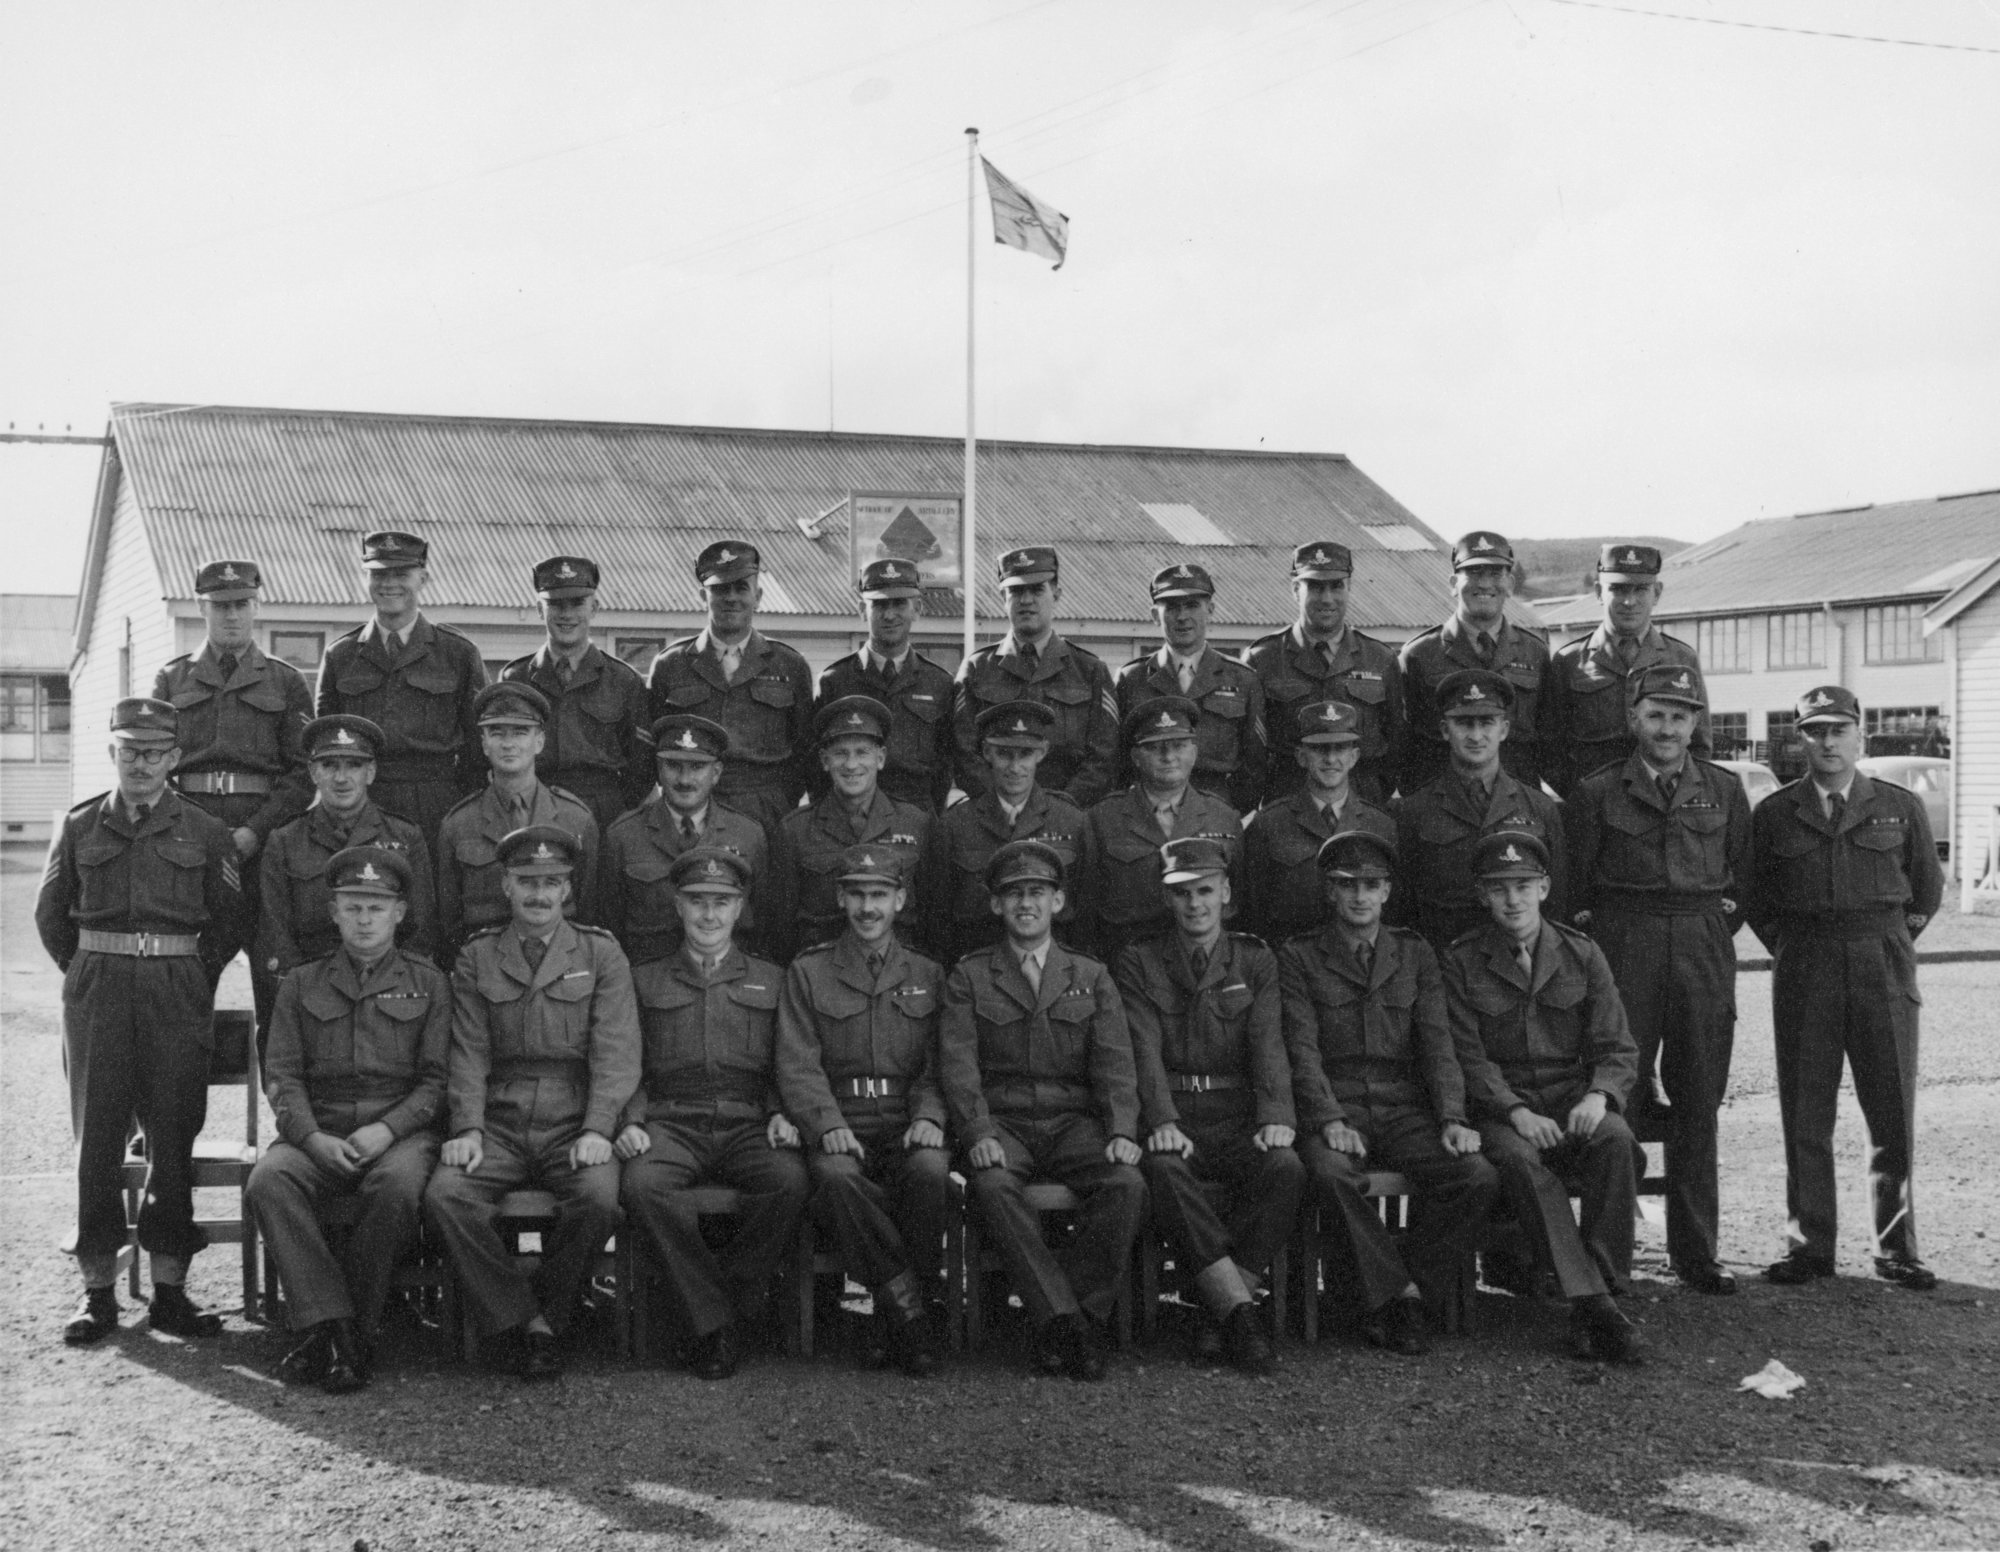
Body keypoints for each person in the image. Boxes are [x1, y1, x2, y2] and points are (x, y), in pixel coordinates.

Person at [37, 697, 245, 1344]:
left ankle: (170, 1291)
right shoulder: (78, 828)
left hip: (175, 993)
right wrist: (90, 972)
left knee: (172, 1138)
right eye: (130, 751)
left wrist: (186, 976)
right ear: (112, 753)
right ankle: (97, 1291)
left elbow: (230, 921)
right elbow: (51, 917)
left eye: (154, 752)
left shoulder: (205, 832)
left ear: (175, 759)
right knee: (97, 1142)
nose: (141, 763)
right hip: (97, 990)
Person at [423, 826, 639, 1380]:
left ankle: (549, 1313)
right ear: (505, 886)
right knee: (448, 1195)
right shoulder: (477, 956)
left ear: (568, 889)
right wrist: (468, 1128)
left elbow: (615, 1052)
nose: (539, 894)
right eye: (527, 882)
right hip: (499, 1115)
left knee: (598, 1198)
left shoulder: (600, 951)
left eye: (552, 882)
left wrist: (597, 1129)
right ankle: (523, 1317)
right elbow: (468, 1049)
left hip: (574, 1114)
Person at [1748, 686, 1945, 1291]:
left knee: (1891, 1112)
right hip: (1805, 959)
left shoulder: (1897, 805)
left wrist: (1887, 943)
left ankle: (1896, 1249)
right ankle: (1810, 1246)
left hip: (1881, 957)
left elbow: (1925, 892)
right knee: (1806, 1112)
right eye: (1814, 731)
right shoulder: (1776, 812)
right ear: (1799, 740)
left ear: (1860, 736)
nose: (1827, 742)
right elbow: (1757, 899)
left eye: (1838, 730)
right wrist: (1793, 944)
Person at [1567, 664, 1751, 1295]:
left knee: (1699, 1100)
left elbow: (1742, 882)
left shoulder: (1724, 791)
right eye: (1655, 715)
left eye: (1679, 716)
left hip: (1700, 946)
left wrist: (1705, 933)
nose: (1667, 728)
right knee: (1621, 1093)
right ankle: (1612, 1255)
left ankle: (1697, 1253)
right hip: (1624, 944)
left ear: (1695, 723)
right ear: (1633, 720)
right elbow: (1576, 887)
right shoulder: (1596, 792)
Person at [1280, 830, 1497, 1357]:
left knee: (1475, 1175)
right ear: (1328, 892)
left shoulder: (1414, 953)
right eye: (1345, 885)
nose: (1359, 896)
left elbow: (1438, 1043)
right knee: (1330, 1175)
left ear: (1387, 892)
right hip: (1338, 1106)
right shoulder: (1299, 956)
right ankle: (1398, 1299)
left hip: (1404, 1107)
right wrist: (1328, 1118)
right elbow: (1301, 1052)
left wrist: (1452, 1117)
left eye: (1371, 884)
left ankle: (1405, 1291)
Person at [938, 840, 1147, 1380]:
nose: (1025, 904)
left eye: (1037, 893)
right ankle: (1067, 1325)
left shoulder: (1090, 974)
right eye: (1013, 895)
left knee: (1126, 1183)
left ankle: (1070, 1314)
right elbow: (959, 1066)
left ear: (1058, 902)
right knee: (990, 1185)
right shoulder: (970, 975)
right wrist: (978, 1129)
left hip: (1073, 1121)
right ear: (995, 907)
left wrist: (1122, 1129)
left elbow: (1116, 1064)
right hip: (1004, 1121)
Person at [247, 846, 449, 1393]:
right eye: (353, 907)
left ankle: (339, 1331)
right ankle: (337, 1328)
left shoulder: (430, 984)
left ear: (400, 914)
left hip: (398, 1134)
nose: (364, 920)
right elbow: (282, 1076)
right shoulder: (300, 984)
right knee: (269, 1179)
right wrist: (311, 1139)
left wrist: (388, 1130)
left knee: (400, 1185)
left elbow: (437, 1081)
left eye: (376, 908)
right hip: (322, 1130)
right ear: (333, 911)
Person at [1445, 831, 1645, 1364]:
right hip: (1500, 1106)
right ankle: (1598, 1306)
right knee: (1517, 1158)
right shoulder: (1462, 961)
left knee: (1615, 1140)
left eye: (1523, 886)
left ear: (1545, 888)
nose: (1513, 900)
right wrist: (1515, 1110)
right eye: (1499, 888)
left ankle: (1592, 1296)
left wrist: (1599, 1096)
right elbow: (1467, 1058)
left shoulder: (1582, 953)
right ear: (1482, 895)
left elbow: (1617, 1045)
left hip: (1570, 1096)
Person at [615, 848, 810, 1380]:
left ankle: (719, 1310)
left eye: (721, 902)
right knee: (641, 1186)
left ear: (740, 908)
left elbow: (788, 1062)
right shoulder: (643, 979)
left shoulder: (773, 979)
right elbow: (627, 1064)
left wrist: (780, 1112)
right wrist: (631, 1121)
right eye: (697, 901)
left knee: (788, 1181)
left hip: (748, 1121)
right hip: (672, 1121)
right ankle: (719, 1321)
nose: (709, 914)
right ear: (677, 905)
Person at [1114, 836, 1297, 1374]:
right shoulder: (1139, 962)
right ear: (1167, 900)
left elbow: (1269, 1047)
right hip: (1179, 1119)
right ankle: (1241, 1315)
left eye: (1205, 891)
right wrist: (1163, 1121)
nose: (1195, 904)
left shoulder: (1255, 959)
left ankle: (1220, 1310)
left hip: (1237, 1115)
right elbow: (1142, 1052)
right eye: (1183, 894)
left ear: (1226, 894)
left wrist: (1276, 1119)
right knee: (1165, 1170)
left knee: (1285, 1168)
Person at [775, 846, 951, 1376]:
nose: (867, 907)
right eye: (857, 895)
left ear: (899, 900)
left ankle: (888, 1314)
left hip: (905, 1120)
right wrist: (826, 1125)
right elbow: (797, 1062)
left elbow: (942, 1063)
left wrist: (929, 1116)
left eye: (879, 895)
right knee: (835, 1178)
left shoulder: (928, 972)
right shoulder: (809, 971)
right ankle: (913, 1315)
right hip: (842, 1117)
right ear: (840, 898)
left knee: (930, 1170)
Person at [155, 559, 314, 1029]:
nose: (231, 616)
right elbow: (158, 766)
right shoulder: (172, 679)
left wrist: (254, 831)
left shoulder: (286, 681)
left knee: (276, 983)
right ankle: (178, 1099)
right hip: (192, 853)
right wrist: (193, 836)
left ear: (256, 607)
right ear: (202, 609)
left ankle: (282, 1098)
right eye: (220, 606)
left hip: (263, 853)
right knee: (186, 985)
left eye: (241, 605)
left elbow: (302, 774)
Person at [316, 530, 489, 849]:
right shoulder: (341, 655)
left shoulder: (458, 654)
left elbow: (478, 751)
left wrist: (462, 810)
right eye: (379, 574)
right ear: (365, 579)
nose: (389, 583)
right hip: (362, 801)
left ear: (423, 578)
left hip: (436, 802)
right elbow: (324, 743)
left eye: (401, 574)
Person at [645, 541, 814, 834]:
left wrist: (777, 802)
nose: (731, 598)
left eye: (741, 588)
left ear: (758, 596)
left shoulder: (789, 666)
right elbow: (651, 751)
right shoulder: (670, 665)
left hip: (765, 816)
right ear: (703, 596)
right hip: (691, 811)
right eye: (721, 590)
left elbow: (805, 754)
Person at [1391, 669, 1567, 950]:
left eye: (1486, 722)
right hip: (1443, 960)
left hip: (1518, 963)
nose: (1476, 735)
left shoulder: (1540, 808)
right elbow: (1402, 909)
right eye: (1464, 723)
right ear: (1445, 730)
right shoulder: (1413, 812)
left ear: (1505, 729)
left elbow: (1556, 904)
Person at [257, 715, 436, 989]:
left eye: (354, 765)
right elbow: (276, 931)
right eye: (329, 765)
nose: (341, 778)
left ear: (371, 772)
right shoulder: (284, 840)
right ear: (313, 772)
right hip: (311, 987)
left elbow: (421, 929)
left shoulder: (405, 837)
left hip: (389, 984)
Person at [435, 683, 599, 964]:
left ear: (539, 741)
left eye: (520, 733)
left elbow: (589, 911)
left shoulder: (576, 820)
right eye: (497, 733)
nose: (508, 744)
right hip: (485, 968)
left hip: (560, 965)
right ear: (484, 742)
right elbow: (449, 920)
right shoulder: (459, 825)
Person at [951, 546, 1120, 808]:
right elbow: (964, 754)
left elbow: (1104, 758)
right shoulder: (977, 669)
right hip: (994, 818)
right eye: (1016, 591)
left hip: (1069, 818)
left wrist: (1062, 809)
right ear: (1002, 597)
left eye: (1037, 590)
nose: (1026, 600)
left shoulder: (1090, 671)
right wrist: (1005, 807)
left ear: (1057, 594)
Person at [768, 696, 935, 960]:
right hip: (821, 975)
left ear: (880, 758)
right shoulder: (795, 830)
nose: (851, 764)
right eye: (841, 753)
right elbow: (780, 927)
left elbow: (931, 920)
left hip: (898, 971)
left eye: (862, 752)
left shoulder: (916, 824)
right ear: (824, 761)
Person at [497, 556, 656, 833]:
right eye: (556, 604)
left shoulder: (623, 681)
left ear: (594, 607)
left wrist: (616, 814)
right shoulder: (516, 679)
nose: (566, 614)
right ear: (538, 609)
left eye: (577, 603)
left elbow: (642, 769)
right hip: (533, 810)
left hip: (604, 814)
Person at [600, 714, 770, 965]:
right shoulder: (623, 836)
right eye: (674, 766)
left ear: (716, 772)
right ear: (658, 769)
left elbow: (762, 930)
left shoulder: (748, 835)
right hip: (646, 986)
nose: (685, 780)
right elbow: (609, 932)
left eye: (697, 767)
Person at [1244, 541, 1403, 805]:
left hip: (1361, 808)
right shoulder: (1264, 659)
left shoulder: (1380, 659)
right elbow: (1252, 752)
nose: (1327, 598)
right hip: (1287, 811)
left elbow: (1397, 746)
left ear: (1349, 588)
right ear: (1296, 589)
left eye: (1336, 586)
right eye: (1316, 587)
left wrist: (1371, 798)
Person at [1081, 698, 1243, 958]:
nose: (1168, 757)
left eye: (1178, 746)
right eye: (1155, 748)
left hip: (1203, 960)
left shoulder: (1224, 818)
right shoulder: (1102, 819)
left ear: (1194, 751)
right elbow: (1086, 909)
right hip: (1126, 960)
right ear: (1135, 757)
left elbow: (1237, 907)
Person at [1543, 544, 1708, 797]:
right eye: (1617, 589)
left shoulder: (1682, 658)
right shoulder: (1569, 661)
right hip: (1593, 813)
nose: (1629, 601)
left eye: (1641, 589)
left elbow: (1700, 747)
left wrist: (1673, 798)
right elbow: (1549, 749)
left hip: (1663, 807)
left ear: (1657, 593)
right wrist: (1583, 798)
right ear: (1599, 592)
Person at [934, 701, 1088, 963]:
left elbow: (1087, 914)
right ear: (986, 752)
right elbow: (938, 917)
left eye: (1025, 754)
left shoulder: (1071, 821)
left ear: (1042, 753)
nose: (1015, 767)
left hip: (1054, 969)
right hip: (976, 971)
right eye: (1004, 753)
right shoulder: (955, 825)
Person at [1397, 533, 1549, 795]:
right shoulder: (1419, 655)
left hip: (1517, 804)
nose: (1485, 584)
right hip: (1441, 807)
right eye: (1474, 573)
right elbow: (1401, 746)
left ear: (1510, 583)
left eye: (1495, 574)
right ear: (1454, 583)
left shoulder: (1534, 653)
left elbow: (1551, 742)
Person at [1240, 699, 1395, 946]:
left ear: (1354, 757)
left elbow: (1393, 913)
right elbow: (1253, 911)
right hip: (1289, 959)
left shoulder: (1381, 825)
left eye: (1340, 748)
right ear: (1301, 757)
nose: (1331, 758)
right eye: (1320, 749)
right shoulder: (1269, 825)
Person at [1115, 563, 1267, 813]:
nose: (1183, 616)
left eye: (1193, 606)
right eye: (1172, 607)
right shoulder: (1131, 679)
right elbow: (1118, 761)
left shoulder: (1243, 680)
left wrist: (1226, 815)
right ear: (1155, 616)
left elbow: (1255, 766)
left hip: (1218, 813)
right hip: (1148, 814)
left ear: (1210, 611)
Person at [814, 558, 957, 811]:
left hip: (917, 819)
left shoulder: (940, 684)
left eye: (899, 603)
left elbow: (944, 770)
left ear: (918, 609)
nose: (889, 614)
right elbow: (815, 767)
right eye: (879, 604)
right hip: (849, 816)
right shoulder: (835, 681)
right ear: (862, 609)